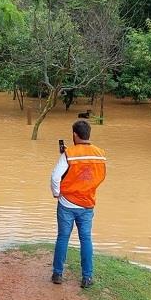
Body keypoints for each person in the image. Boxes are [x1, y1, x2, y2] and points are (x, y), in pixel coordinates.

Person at [50, 120, 106, 288]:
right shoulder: (100, 154)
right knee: (86, 239)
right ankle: (87, 277)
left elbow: (55, 177)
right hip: (87, 203)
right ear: (88, 134)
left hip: (67, 204)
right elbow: (100, 177)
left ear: (75, 134)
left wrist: (56, 193)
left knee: (63, 237)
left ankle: (58, 274)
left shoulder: (69, 154)